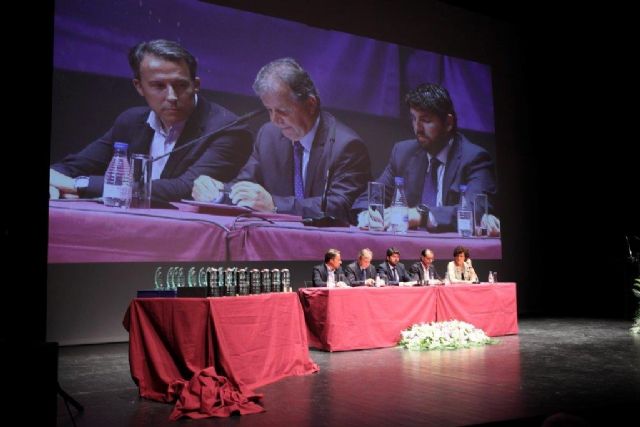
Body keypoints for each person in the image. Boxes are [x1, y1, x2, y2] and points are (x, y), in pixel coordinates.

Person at [50, 39, 253, 203]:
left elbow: (184, 188)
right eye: (158, 86)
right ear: (139, 87)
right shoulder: (131, 121)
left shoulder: (228, 128)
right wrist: (55, 183)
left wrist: (79, 185)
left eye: (180, 85)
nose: (172, 96)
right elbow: (74, 165)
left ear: (196, 84)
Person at [191, 57, 371, 222]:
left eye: (282, 111)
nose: (274, 120)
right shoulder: (268, 136)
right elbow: (245, 185)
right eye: (269, 110)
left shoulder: (346, 146)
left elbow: (341, 207)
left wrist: (275, 205)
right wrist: (218, 192)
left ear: (310, 104)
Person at [353, 83, 499, 234]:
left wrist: (420, 215)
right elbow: (367, 200)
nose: (417, 128)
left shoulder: (475, 158)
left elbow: (475, 210)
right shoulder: (403, 153)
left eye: (426, 120)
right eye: (414, 119)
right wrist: (368, 215)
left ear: (448, 123)